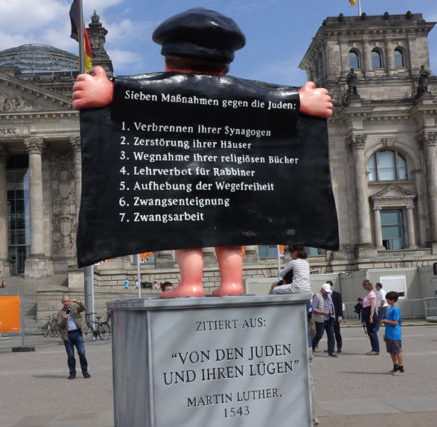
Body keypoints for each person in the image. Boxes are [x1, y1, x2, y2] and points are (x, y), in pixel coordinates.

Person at [72, 8, 333, 299]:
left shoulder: (168, 90)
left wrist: (105, 92)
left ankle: (191, 285)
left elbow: (134, 94)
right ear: (225, 63)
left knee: (186, 231)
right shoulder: (237, 91)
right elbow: (268, 100)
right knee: (232, 233)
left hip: (186, 176)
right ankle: (232, 284)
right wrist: (303, 101)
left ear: (170, 61)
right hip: (236, 178)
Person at [56, 295, 90, 380]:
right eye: (65, 301)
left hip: (77, 333)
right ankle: (72, 373)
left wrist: (78, 302)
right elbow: (60, 325)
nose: (67, 302)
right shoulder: (60, 312)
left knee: (82, 352)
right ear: (62, 302)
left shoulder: (75, 307)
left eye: (68, 301)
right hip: (68, 336)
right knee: (70, 355)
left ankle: (85, 371)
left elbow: (83, 308)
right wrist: (64, 319)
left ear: (70, 301)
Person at [380, 291, 404, 375]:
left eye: (388, 299)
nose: (386, 300)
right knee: (391, 351)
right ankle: (395, 366)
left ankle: (401, 368)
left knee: (397, 351)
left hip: (395, 334)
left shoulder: (396, 309)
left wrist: (385, 320)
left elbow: (395, 322)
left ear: (393, 300)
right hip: (389, 334)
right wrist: (385, 335)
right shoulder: (391, 308)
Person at [311, 283, 337, 357]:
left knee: (331, 335)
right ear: (322, 289)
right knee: (319, 335)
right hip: (321, 320)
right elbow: (314, 308)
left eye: (328, 291)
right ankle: (311, 348)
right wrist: (323, 313)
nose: (327, 292)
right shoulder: (317, 296)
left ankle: (331, 352)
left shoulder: (329, 296)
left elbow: (331, 306)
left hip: (329, 319)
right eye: (326, 291)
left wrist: (333, 315)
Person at [361, 279, 379, 355]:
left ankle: (376, 349)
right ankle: (373, 348)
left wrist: (371, 317)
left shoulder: (371, 294)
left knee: (372, 332)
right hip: (366, 313)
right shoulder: (368, 294)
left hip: (369, 314)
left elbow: (372, 306)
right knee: (370, 332)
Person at [328, 281, 343, 353]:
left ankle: (339, 347)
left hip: (336, 317)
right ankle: (331, 348)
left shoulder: (337, 294)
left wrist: (340, 316)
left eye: (329, 286)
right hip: (328, 317)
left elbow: (340, 306)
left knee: (337, 333)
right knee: (330, 334)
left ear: (332, 286)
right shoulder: (325, 295)